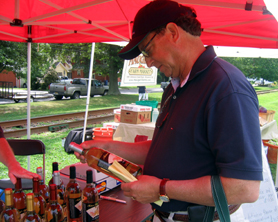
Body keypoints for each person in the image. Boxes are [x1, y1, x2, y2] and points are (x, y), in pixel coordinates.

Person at [75, 1, 263, 221]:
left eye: (147, 50)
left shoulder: (226, 87)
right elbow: (164, 148)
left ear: (173, 32)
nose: (147, 62)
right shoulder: (175, 86)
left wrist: (161, 188)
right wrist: (106, 145)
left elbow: (244, 188)